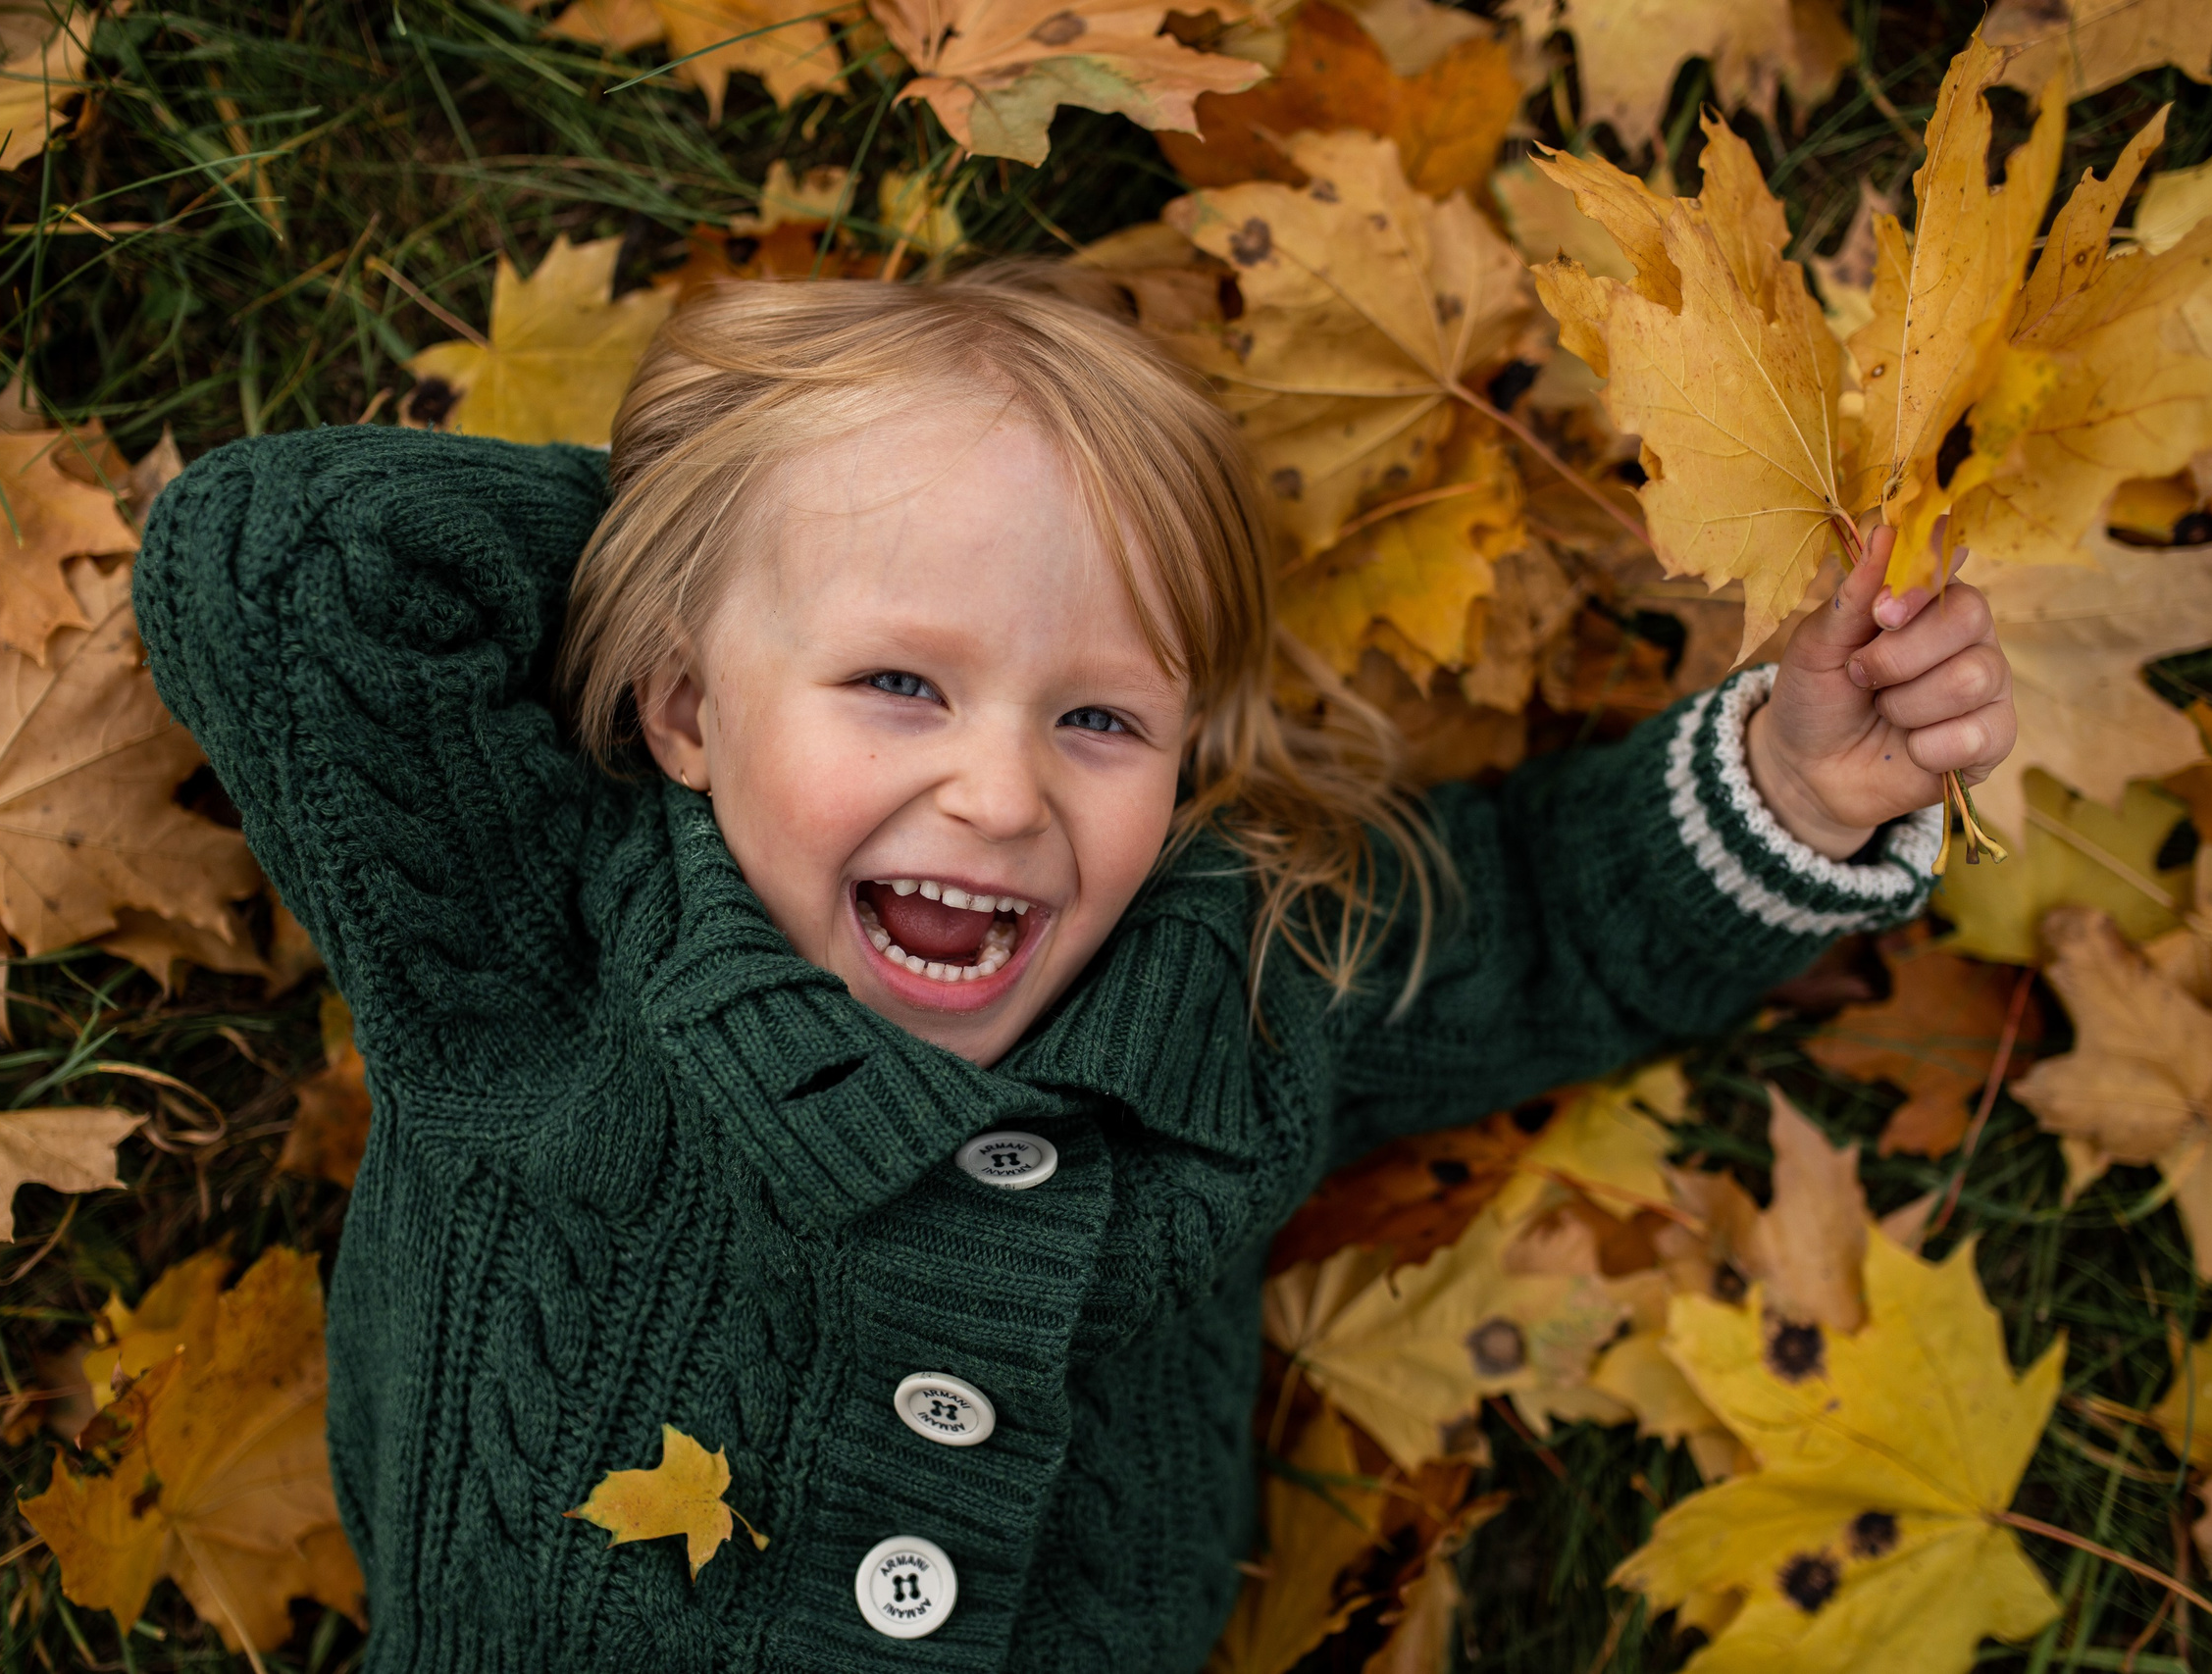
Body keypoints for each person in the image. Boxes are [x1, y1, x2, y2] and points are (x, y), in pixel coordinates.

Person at [135, 267, 2014, 1673]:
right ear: (687, 705)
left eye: (1100, 715)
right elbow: (280, 563)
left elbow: (1531, 924)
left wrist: (1798, 783)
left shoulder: (1236, 986)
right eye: (897, 681)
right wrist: (736, 508)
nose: (1002, 785)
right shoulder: (540, 933)